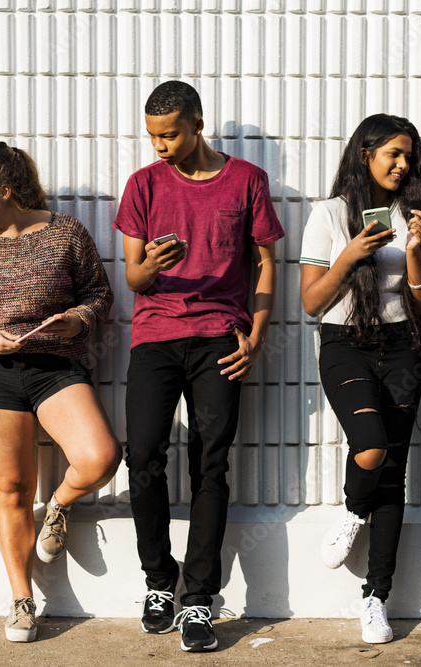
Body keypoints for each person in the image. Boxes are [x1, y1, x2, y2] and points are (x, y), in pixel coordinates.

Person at [113, 80, 284, 652]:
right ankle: (159, 581)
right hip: (156, 335)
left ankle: (199, 598)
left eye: (170, 134)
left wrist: (256, 335)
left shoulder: (246, 180)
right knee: (142, 457)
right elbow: (132, 280)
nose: (160, 146)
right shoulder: (143, 184)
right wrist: (151, 265)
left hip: (219, 337)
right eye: (153, 136)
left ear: (198, 123)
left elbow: (264, 261)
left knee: (211, 463)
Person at [0, 142, 120, 643]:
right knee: (12, 489)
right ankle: (21, 600)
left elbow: (99, 295)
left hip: (54, 365)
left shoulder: (66, 233)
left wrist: (73, 324)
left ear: (5, 190)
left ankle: (58, 505)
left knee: (100, 456)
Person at [300, 114, 421, 644]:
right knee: (371, 449)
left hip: (403, 345)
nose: (403, 165)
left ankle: (375, 598)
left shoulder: (417, 217)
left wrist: (411, 254)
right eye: (393, 155)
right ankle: (354, 508)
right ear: (366, 154)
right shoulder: (329, 214)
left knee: (393, 472)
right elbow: (312, 302)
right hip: (344, 346)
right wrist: (351, 253)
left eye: (410, 157)